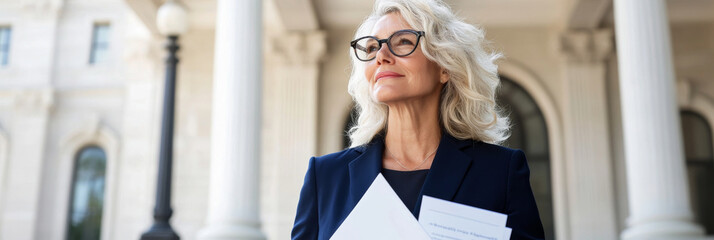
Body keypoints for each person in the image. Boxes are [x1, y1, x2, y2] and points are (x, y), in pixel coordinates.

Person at [291, 0, 544, 239]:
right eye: (371, 47)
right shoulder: (325, 178)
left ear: (444, 66)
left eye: (402, 42)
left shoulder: (500, 173)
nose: (381, 55)